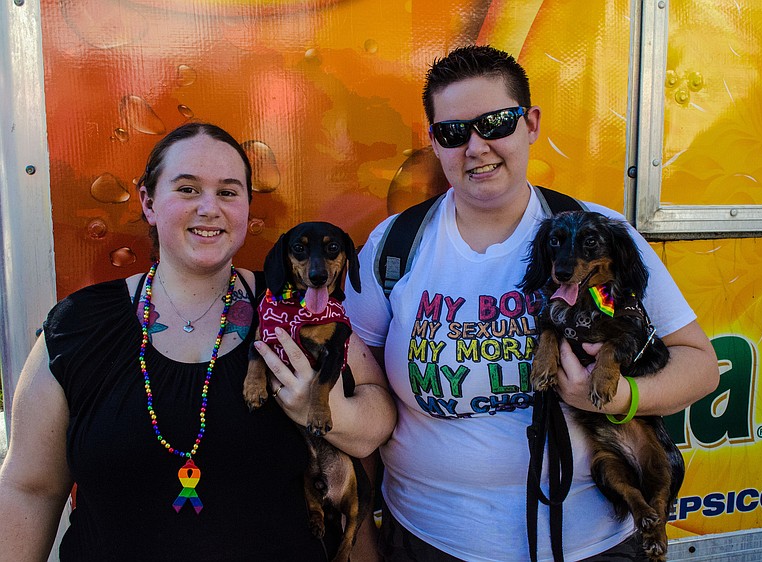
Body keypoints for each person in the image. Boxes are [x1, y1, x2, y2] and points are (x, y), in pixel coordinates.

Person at [344, 45, 719, 561]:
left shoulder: (597, 234)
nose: (476, 147)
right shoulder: (394, 245)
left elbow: (700, 366)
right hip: (427, 540)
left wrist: (618, 398)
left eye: (495, 122)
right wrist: (360, 535)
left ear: (530, 123)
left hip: (593, 542)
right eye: (454, 132)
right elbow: (360, 390)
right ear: (434, 143)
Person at [0, 122, 396, 561]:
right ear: (148, 202)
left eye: (228, 192)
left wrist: (325, 409)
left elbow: (377, 418)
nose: (210, 208)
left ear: (247, 207)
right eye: (188, 189)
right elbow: (29, 488)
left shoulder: (297, 312)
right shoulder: (78, 325)